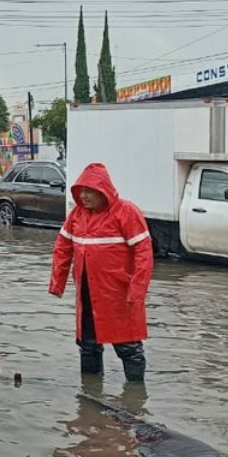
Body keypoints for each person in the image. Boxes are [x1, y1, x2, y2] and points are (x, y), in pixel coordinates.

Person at [49, 162, 154, 382]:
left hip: (119, 295)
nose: (84, 196)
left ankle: (135, 397)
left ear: (102, 190)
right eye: (81, 192)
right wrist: (57, 283)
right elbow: (62, 248)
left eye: (89, 191)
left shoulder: (126, 212)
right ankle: (90, 396)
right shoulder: (77, 215)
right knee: (87, 345)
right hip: (87, 294)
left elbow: (143, 254)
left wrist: (137, 290)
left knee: (129, 347)